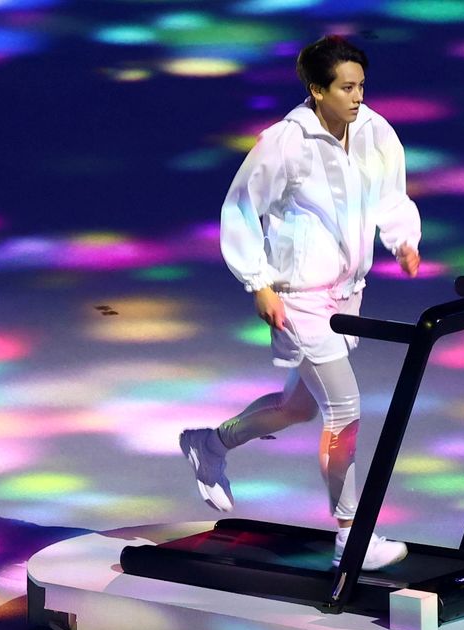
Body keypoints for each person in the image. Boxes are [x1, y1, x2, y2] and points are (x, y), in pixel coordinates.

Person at [180, 35, 421, 571]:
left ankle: (211, 444)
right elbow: (241, 208)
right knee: (345, 409)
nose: (357, 97)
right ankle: (352, 537)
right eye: (345, 87)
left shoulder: (375, 131)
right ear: (316, 90)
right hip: (298, 298)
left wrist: (402, 237)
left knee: (298, 408)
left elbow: (391, 195)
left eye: (361, 85)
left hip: (345, 296)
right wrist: (258, 282)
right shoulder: (285, 143)